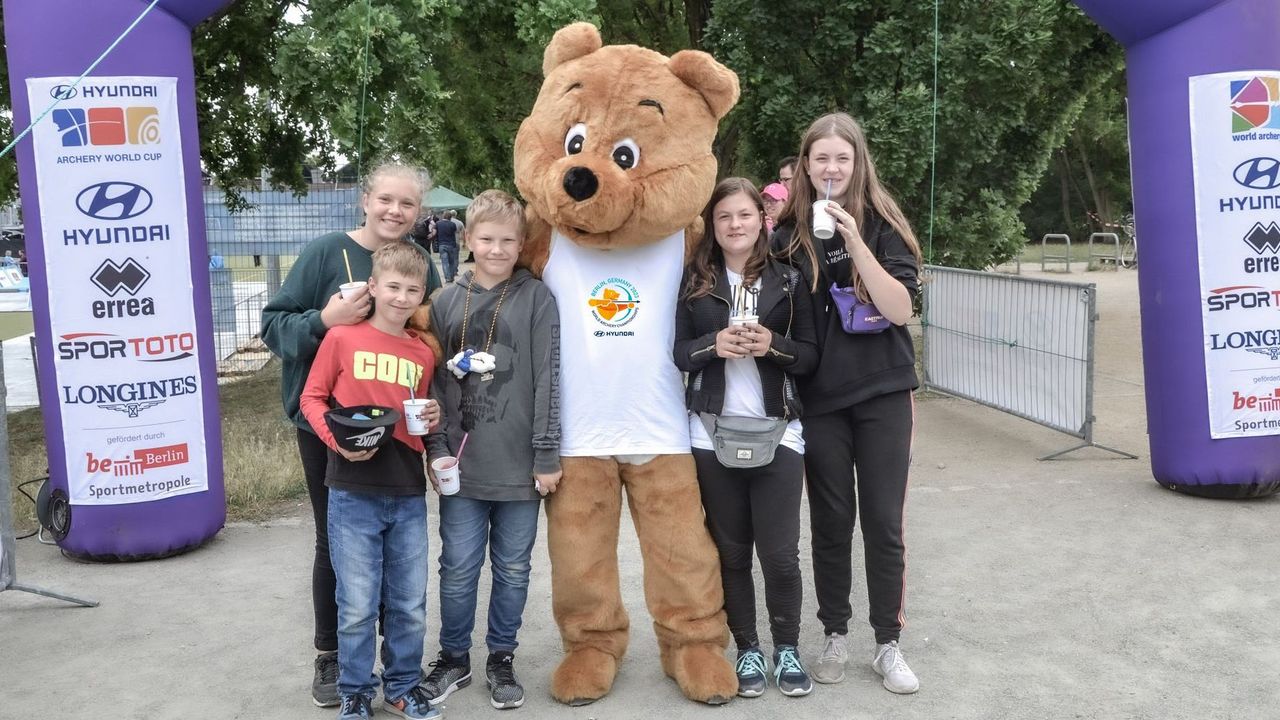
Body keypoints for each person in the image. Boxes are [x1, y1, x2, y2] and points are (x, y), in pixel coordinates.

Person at [260, 162, 443, 709]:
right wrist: (324, 320)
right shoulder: (324, 251)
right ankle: (332, 656)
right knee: (334, 539)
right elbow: (273, 325)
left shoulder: (421, 266)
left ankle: (395, 670)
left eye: (407, 204)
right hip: (327, 426)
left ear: (419, 213)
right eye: (385, 199)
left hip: (399, 433)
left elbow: (424, 338)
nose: (394, 211)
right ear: (365, 200)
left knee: (396, 555)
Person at [771, 112, 923, 695]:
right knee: (832, 524)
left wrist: (855, 242)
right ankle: (835, 632)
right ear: (805, 165)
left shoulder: (881, 222)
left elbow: (902, 309)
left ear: (858, 163)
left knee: (884, 522)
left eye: (842, 158)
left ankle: (888, 643)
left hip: (884, 389)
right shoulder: (786, 234)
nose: (831, 168)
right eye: (820, 159)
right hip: (821, 399)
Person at [674, 178, 819, 699]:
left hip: (780, 430)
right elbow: (678, 353)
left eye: (744, 215)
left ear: (763, 219)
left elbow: (810, 355)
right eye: (724, 217)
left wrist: (771, 345)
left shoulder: (791, 279)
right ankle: (749, 649)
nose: (735, 225)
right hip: (711, 432)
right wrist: (713, 344)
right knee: (731, 553)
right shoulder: (695, 281)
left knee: (780, 554)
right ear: (712, 226)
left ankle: (787, 649)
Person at [421, 190, 561, 710]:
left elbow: (549, 378)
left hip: (520, 466)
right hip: (460, 466)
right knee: (457, 566)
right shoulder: (442, 302)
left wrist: (547, 455)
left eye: (508, 240)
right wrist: (435, 449)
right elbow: (429, 383)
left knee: (514, 568)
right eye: (487, 239)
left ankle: (501, 656)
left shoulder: (538, 298)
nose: (497, 249)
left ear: (522, 243)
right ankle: (453, 657)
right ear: (468, 238)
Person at [299, 242, 441, 720]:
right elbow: (312, 398)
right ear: (373, 287)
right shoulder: (342, 338)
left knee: (408, 603)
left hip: (406, 492)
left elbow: (417, 421)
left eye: (412, 290)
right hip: (351, 491)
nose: (401, 298)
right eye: (393, 287)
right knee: (356, 603)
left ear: (422, 295)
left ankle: (403, 686)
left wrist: (432, 420)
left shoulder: (422, 353)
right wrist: (335, 441)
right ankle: (356, 689)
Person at [436, 210, 460, 283]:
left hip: (442, 244)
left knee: (444, 262)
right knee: (451, 262)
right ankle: (452, 276)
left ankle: (447, 278)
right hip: (451, 245)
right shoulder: (452, 224)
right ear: (450, 217)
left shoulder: (438, 224)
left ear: (443, 216)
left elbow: (435, 233)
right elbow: (454, 233)